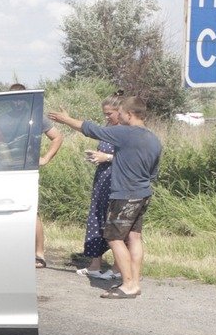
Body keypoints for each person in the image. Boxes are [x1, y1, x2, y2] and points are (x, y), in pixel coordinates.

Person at [48, 96, 162, 299]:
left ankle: (128, 285)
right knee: (134, 237)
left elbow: (91, 129)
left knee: (114, 237)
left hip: (124, 194)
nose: (118, 116)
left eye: (120, 113)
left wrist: (66, 119)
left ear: (128, 114)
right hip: (143, 193)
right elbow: (153, 173)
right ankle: (135, 281)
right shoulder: (154, 139)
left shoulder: (125, 133)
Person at [76, 96, 122, 279]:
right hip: (102, 180)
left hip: (117, 181)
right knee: (97, 219)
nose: (106, 118)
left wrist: (108, 158)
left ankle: (118, 268)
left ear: (120, 111)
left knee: (116, 223)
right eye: (104, 114)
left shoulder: (127, 131)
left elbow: (131, 158)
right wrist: (97, 157)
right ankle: (95, 264)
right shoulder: (108, 129)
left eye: (109, 114)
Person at [34, 107, 64, 268]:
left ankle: (39, 254)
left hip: (28, 169)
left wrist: (45, 158)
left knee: (32, 211)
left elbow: (57, 136)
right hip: (5, 168)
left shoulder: (36, 116)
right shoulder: (6, 117)